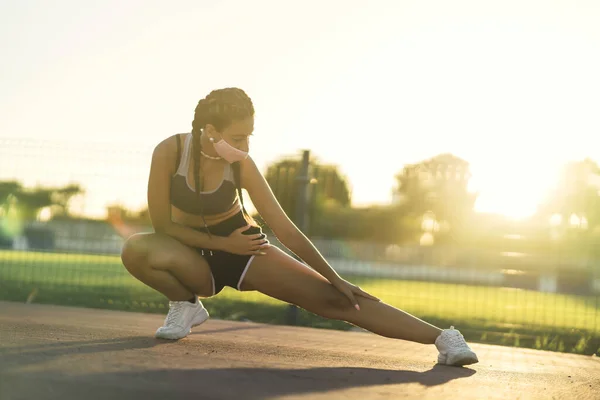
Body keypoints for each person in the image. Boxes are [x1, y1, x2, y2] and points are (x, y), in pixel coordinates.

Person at [120, 87, 479, 367]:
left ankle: (443, 338)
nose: (246, 146)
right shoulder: (170, 150)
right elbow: (162, 225)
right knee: (136, 248)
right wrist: (225, 246)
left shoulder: (241, 165)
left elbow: (286, 229)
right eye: (239, 137)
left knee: (334, 300)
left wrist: (334, 278)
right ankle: (185, 303)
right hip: (191, 255)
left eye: (250, 137)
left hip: (246, 252)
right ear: (210, 131)